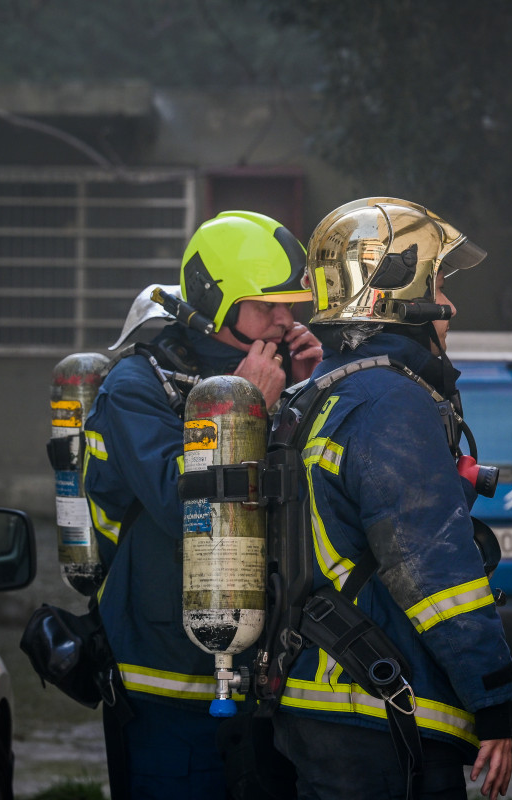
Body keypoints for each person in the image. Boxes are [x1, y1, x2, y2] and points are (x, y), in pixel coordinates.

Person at [270, 197, 512, 800]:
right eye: (437, 282)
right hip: (376, 710)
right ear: (397, 288)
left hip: (320, 696)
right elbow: (434, 571)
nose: (450, 304)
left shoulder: (319, 394)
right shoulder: (390, 402)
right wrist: (495, 698)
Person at [82, 210, 322, 799]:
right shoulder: (137, 388)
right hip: (166, 676)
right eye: (267, 306)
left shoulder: (278, 374)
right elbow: (176, 502)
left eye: (290, 304)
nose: (285, 319)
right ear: (217, 301)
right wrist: (249, 410)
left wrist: (316, 387)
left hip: (269, 673)